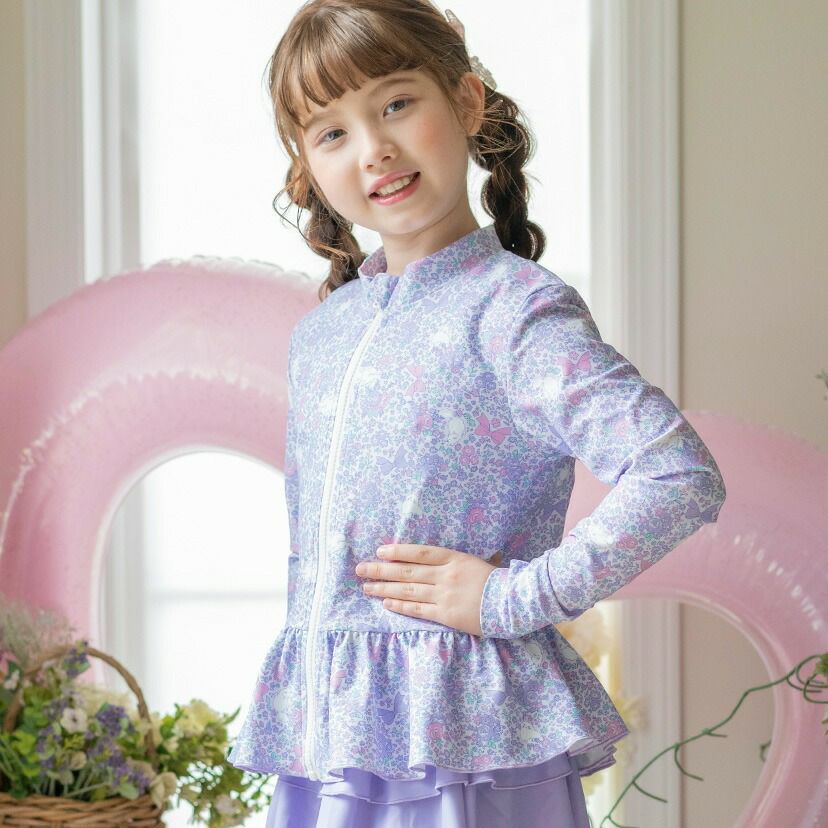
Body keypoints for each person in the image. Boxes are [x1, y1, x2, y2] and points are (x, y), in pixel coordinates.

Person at [227, 1, 728, 826]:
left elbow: (678, 475)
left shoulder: (514, 311)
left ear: (465, 102)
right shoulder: (322, 334)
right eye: (333, 131)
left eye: (396, 103)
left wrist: (512, 599)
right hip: (330, 749)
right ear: (307, 165)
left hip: (467, 748)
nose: (374, 147)